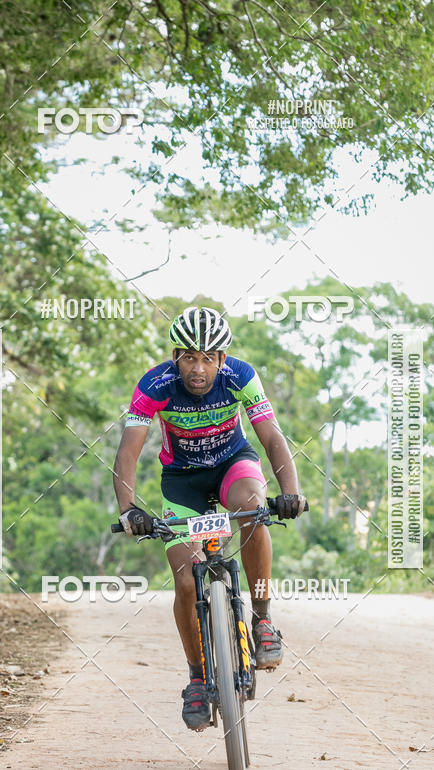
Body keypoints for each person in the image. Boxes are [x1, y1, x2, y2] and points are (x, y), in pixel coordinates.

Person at [113, 306, 307, 731]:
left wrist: (290, 491)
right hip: (181, 481)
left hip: (232, 466)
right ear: (175, 356)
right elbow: (128, 450)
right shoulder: (154, 385)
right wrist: (128, 509)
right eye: (188, 357)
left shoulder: (241, 375)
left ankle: (262, 619)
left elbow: (271, 435)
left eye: (207, 358)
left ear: (222, 359)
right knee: (185, 579)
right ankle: (198, 678)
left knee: (255, 509)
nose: (197, 369)